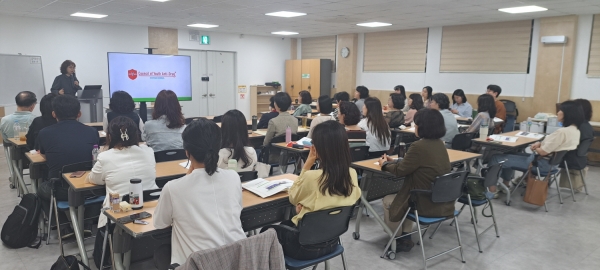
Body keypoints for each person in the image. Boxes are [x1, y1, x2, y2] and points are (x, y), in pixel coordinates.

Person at [154, 118, 246, 265]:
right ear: (218, 146)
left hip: (199, 265)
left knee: (161, 254)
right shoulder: (233, 177)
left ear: (187, 152)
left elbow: (159, 223)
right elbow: (238, 209)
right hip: (238, 261)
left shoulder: (173, 188)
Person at [266, 120, 361, 260]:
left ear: (318, 149)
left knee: (268, 232)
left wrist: (307, 165)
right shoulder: (351, 173)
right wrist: (306, 211)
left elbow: (293, 197)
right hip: (332, 241)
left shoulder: (312, 177)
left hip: (303, 248)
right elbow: (338, 202)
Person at [87, 116, 157, 267]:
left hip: (119, 216)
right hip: (151, 210)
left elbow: (94, 179)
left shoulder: (105, 157)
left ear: (110, 136)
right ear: (136, 135)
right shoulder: (148, 151)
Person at [378, 108, 452, 251]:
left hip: (424, 202)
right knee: (405, 197)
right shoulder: (440, 144)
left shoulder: (418, 146)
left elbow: (400, 170)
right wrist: (397, 160)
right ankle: (405, 236)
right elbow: (416, 163)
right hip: (441, 200)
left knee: (389, 200)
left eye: (416, 124)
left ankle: (396, 239)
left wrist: (385, 164)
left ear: (421, 127)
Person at [37, 95, 99, 238]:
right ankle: (88, 223)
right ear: (79, 114)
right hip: (89, 187)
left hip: (61, 190)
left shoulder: (45, 133)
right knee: (100, 186)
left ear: (54, 114)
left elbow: (45, 155)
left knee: (41, 189)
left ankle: (63, 227)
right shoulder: (92, 132)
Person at [488, 101, 584, 191]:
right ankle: (506, 185)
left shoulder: (562, 132)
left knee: (496, 158)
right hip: (553, 165)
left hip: (539, 164)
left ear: (567, 114)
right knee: (509, 153)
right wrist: (540, 143)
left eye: (560, 111)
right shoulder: (575, 130)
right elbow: (555, 145)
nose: (558, 113)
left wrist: (534, 147)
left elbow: (543, 152)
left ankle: (491, 191)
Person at [562, 99, 594, 191]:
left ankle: (531, 182)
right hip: (580, 159)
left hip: (569, 158)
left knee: (539, 156)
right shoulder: (587, 125)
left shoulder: (576, 127)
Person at [263, 92, 298, 163]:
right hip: (292, 155)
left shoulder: (273, 121)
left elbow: (266, 142)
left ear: (275, 105)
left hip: (275, 155)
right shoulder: (295, 120)